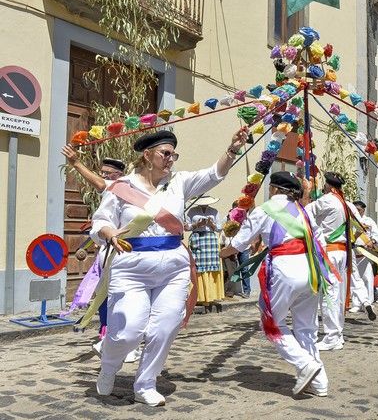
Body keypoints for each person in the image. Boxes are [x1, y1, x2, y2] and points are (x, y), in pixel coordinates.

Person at [89, 128, 247, 406]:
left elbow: (214, 174)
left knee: (165, 327)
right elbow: (101, 221)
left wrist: (232, 148)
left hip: (173, 267)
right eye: (166, 153)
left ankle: (146, 383)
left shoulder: (180, 182)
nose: (171, 159)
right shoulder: (121, 186)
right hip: (131, 267)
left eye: (174, 154)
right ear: (147, 155)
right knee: (128, 330)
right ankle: (109, 367)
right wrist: (110, 234)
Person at [220, 171, 330, 397]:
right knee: (307, 328)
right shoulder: (302, 210)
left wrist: (222, 252)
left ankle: (304, 363)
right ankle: (319, 383)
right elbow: (320, 238)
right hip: (311, 270)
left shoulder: (264, 209)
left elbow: (239, 244)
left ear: (273, 189)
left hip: (284, 269)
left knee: (271, 323)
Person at [61, 144, 141, 363]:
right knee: (107, 295)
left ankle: (119, 339)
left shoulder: (125, 187)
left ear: (119, 175)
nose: (103, 177)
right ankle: (108, 336)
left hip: (131, 251)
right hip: (111, 249)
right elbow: (101, 221)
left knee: (122, 296)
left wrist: (77, 163)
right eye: (103, 173)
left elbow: (97, 183)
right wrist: (87, 246)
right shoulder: (113, 191)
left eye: (107, 174)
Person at [306, 172, 355, 351]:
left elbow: (305, 212)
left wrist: (307, 192)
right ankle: (337, 334)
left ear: (328, 186)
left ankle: (332, 336)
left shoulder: (327, 200)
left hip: (331, 252)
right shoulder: (342, 201)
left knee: (329, 296)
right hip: (340, 252)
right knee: (336, 294)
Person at [185, 195, 224, 312]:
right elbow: (186, 227)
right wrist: (197, 225)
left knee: (211, 267)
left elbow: (219, 228)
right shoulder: (192, 211)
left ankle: (211, 295)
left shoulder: (214, 211)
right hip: (197, 238)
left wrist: (211, 224)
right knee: (197, 267)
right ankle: (199, 295)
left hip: (210, 240)